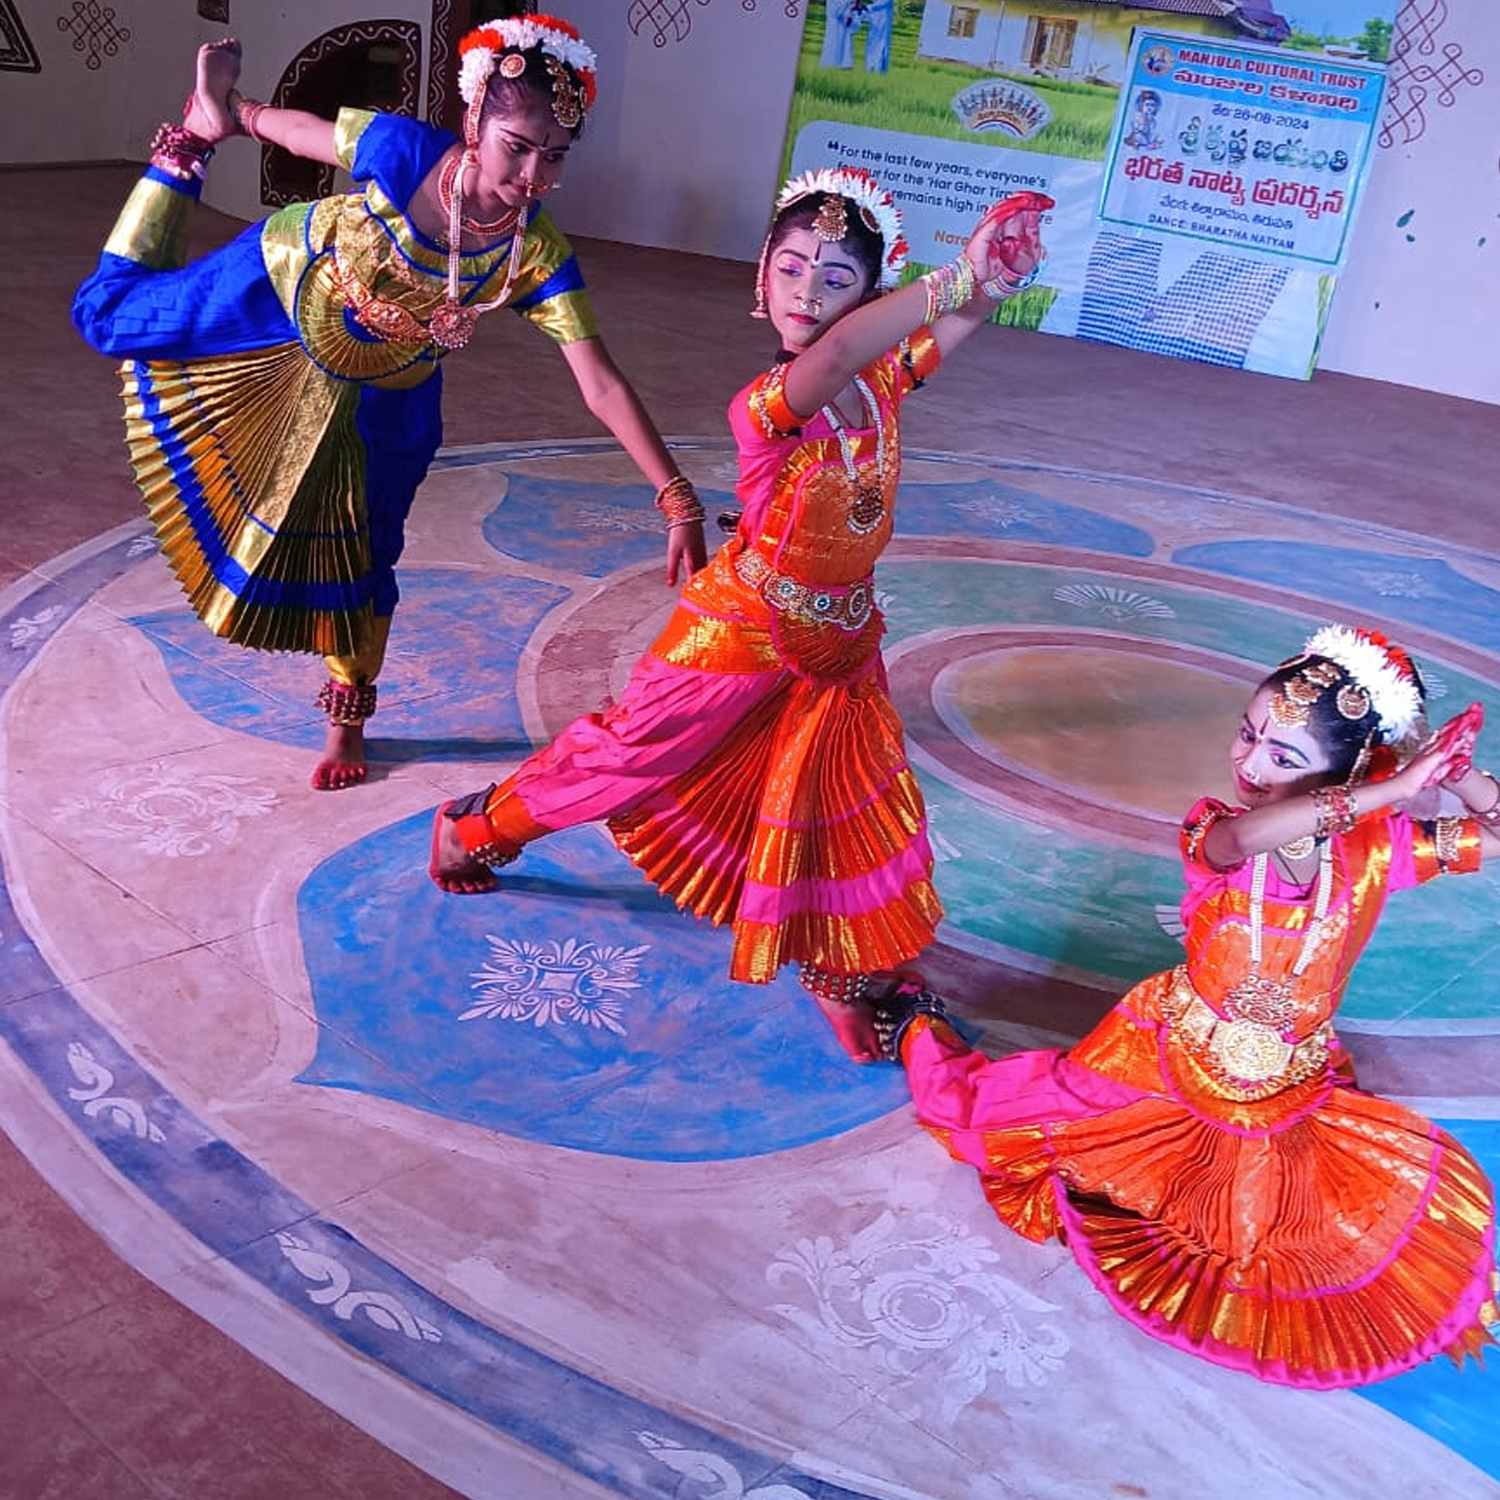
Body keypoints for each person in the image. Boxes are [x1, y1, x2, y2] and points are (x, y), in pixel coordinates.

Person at [429, 166, 1052, 1062]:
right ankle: (477, 825)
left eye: (836, 278)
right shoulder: (768, 408)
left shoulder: (881, 383)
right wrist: (956, 275)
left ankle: (842, 976)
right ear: (760, 276)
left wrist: (992, 282)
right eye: (790, 268)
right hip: (740, 628)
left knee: (848, 803)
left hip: (842, 636)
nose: (807, 293)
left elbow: (939, 332)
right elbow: (834, 356)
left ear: (870, 293)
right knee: (631, 754)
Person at [72, 14, 707, 792]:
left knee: (369, 558)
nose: (532, 175)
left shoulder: (536, 252)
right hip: (283, 288)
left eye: (555, 156)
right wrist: (234, 116)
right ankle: (187, 148)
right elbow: (307, 135)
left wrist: (676, 496)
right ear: (474, 125)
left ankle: (347, 720)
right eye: (517, 147)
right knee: (107, 319)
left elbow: (599, 380)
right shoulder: (408, 152)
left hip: (392, 396)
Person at [879, 625, 1499, 1387]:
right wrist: (1393, 790)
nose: (1250, 763)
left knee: (1288, 1235)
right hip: (1163, 1050)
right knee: (985, 1117)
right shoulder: (1218, 829)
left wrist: (1462, 778)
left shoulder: (1379, 848)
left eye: (1284, 756)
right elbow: (1247, 840)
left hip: (1283, 1079)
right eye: (1248, 734)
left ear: (1342, 769)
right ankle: (916, 1027)